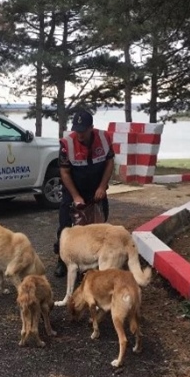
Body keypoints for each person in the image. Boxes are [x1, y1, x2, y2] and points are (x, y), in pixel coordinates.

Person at [53, 109, 115, 277]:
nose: (79, 134)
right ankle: (62, 261)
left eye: (83, 130)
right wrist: (75, 196)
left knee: (97, 228)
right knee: (66, 228)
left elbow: (109, 163)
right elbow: (64, 173)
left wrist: (102, 186)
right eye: (76, 130)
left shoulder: (103, 138)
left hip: (96, 189)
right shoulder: (67, 144)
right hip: (73, 188)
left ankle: (90, 263)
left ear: (91, 128)